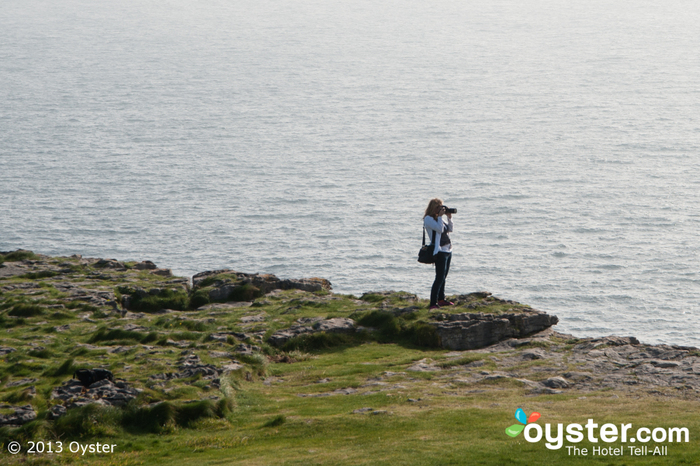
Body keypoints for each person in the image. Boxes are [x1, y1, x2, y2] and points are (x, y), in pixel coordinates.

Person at [423, 198, 455, 310]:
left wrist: (449, 218)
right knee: (439, 277)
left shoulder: (439, 218)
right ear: (433, 208)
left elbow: (449, 229)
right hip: (439, 251)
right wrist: (441, 217)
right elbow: (440, 229)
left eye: (441, 207)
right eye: (438, 207)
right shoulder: (428, 219)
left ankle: (441, 299)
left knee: (444, 277)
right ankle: (433, 303)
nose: (440, 209)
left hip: (447, 250)